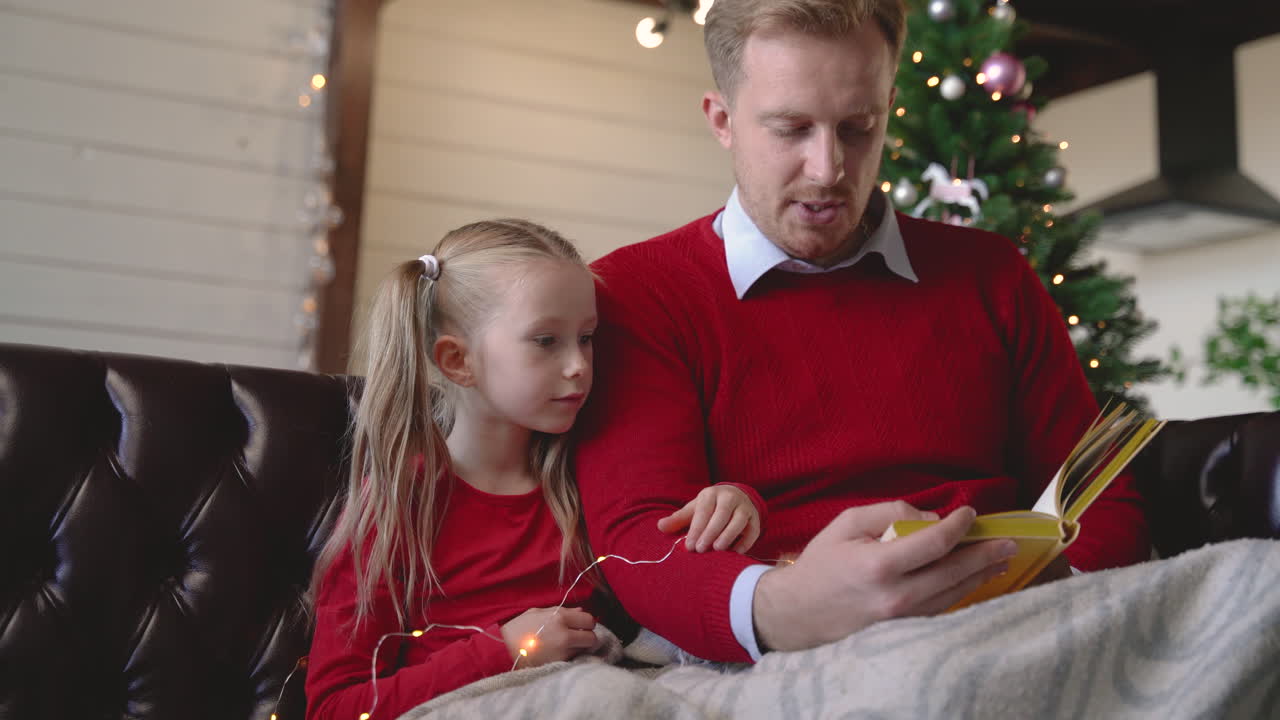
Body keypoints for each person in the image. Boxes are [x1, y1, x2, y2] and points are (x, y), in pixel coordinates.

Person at [573, 0, 1149, 664]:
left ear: (888, 109)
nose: (828, 170)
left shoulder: (991, 274)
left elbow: (1101, 492)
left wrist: (1056, 602)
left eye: (858, 128)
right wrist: (782, 610)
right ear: (722, 120)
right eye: (791, 129)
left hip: (1022, 624)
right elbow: (639, 541)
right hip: (794, 650)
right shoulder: (637, 293)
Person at [303, 219, 766, 720]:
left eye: (586, 338)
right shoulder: (398, 506)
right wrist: (507, 649)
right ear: (458, 361)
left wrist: (734, 503)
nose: (579, 365)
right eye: (546, 341)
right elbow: (334, 708)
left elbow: (664, 579)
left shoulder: (587, 477)